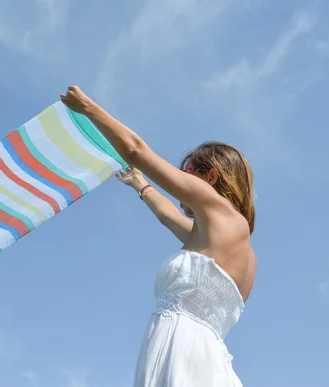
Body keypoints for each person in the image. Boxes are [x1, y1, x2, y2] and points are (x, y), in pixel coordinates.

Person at [60, 86, 256, 386]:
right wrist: (141, 185)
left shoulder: (216, 208)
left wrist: (87, 108)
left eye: (187, 170)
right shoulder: (234, 247)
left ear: (211, 177)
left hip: (186, 355)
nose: (180, 175)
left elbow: (135, 150)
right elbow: (169, 217)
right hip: (198, 356)